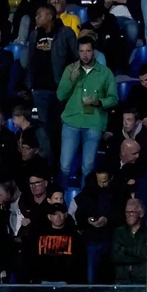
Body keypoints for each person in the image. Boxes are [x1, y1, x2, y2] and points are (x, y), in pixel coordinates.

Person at [56, 34, 116, 189]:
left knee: (88, 167)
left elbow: (114, 99)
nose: (85, 54)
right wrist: (71, 79)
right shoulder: (70, 69)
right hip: (71, 121)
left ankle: (85, 202)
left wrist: (99, 102)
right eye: (81, 51)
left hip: (94, 123)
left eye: (88, 51)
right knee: (64, 166)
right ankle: (59, 202)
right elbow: (60, 95)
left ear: (94, 51)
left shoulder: (105, 73)